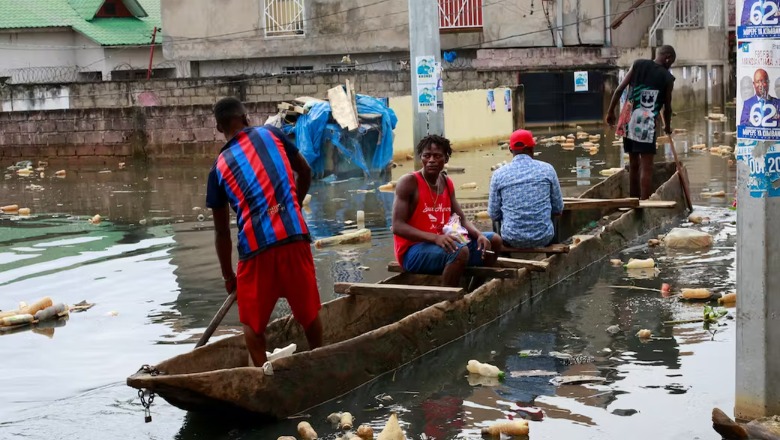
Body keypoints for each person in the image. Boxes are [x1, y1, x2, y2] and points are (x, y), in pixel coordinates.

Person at [205, 97, 323, 367]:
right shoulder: (272, 133)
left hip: (255, 251)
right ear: (246, 119)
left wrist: (228, 276)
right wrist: (294, 207)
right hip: (294, 238)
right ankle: (319, 358)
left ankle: (260, 373)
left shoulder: (218, 169)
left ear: (220, 127)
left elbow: (222, 232)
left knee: (252, 326)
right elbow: (305, 171)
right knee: (309, 313)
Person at [392, 135, 502, 288]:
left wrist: (479, 235)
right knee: (459, 251)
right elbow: (397, 226)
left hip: (444, 243)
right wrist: (435, 238)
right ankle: (448, 300)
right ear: (421, 158)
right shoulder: (409, 182)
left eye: (437, 156)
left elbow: (461, 218)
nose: (431, 160)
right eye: (426, 156)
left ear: (446, 159)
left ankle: (474, 289)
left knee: (494, 241)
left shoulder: (446, 182)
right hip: (413, 251)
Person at [607, 45, 676, 200]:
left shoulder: (638, 64)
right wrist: (668, 127)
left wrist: (610, 112)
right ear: (668, 58)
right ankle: (644, 203)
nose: (670, 66)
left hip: (627, 119)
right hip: (645, 124)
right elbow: (668, 108)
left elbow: (619, 89)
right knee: (647, 166)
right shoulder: (667, 78)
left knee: (633, 164)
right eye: (671, 62)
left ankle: (633, 200)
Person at [488, 129, 563, 249]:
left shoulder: (498, 174)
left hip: (511, 238)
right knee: (557, 213)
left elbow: (493, 213)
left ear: (511, 150)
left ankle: (503, 253)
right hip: (544, 237)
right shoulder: (548, 169)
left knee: (495, 216)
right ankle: (553, 248)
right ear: (532, 149)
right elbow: (558, 207)